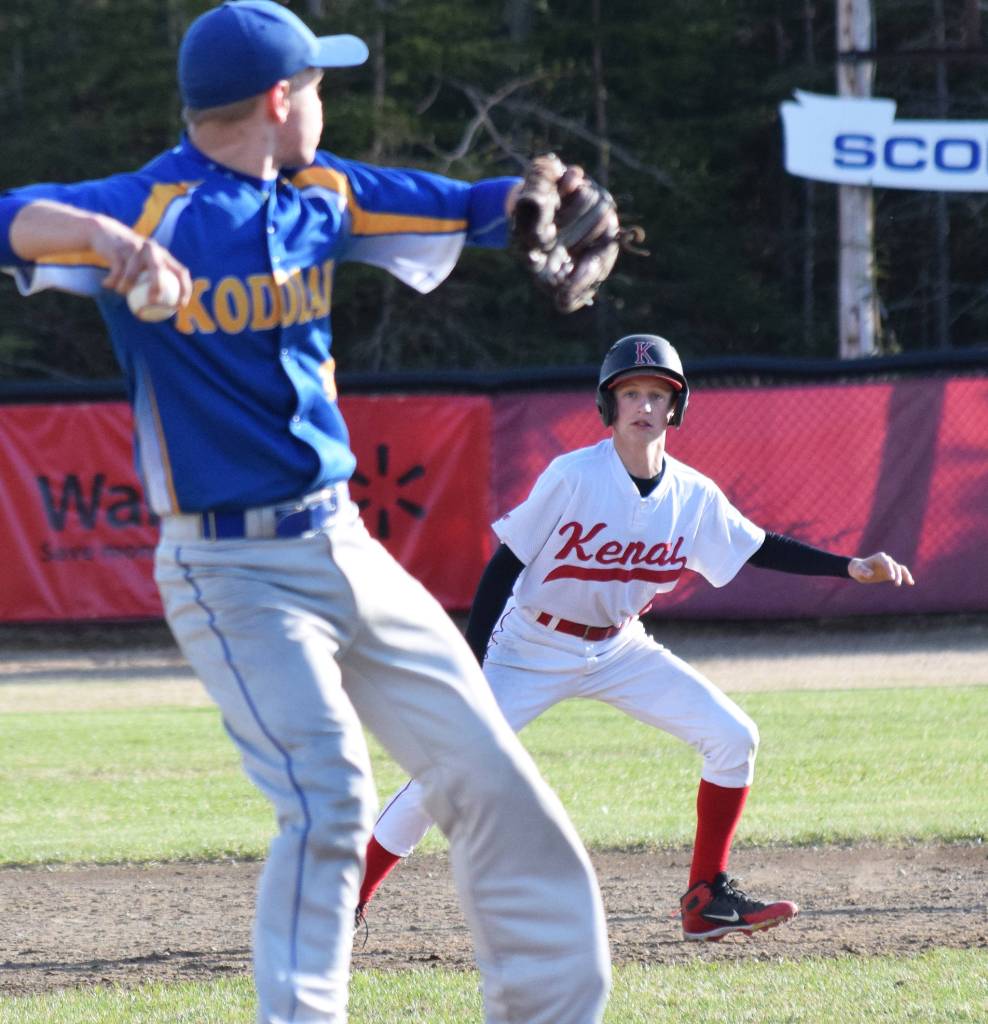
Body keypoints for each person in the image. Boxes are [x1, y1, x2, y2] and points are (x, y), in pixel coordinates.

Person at [0, 3, 612, 1022]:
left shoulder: (324, 194)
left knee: (489, 775)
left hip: (343, 544)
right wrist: (105, 240)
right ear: (280, 100)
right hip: (229, 570)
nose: (325, 102)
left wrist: (546, 204)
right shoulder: (147, 208)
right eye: (318, 85)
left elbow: (472, 206)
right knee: (330, 801)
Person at [358, 332, 916, 942]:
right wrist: (471, 661)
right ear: (609, 406)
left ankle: (706, 898)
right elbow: (504, 566)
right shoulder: (573, 476)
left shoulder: (692, 494)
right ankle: (345, 901)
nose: (644, 406)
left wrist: (850, 566)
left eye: (657, 394)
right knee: (446, 771)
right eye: (630, 394)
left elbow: (758, 545)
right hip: (530, 647)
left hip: (620, 647)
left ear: (675, 408)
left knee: (733, 737)